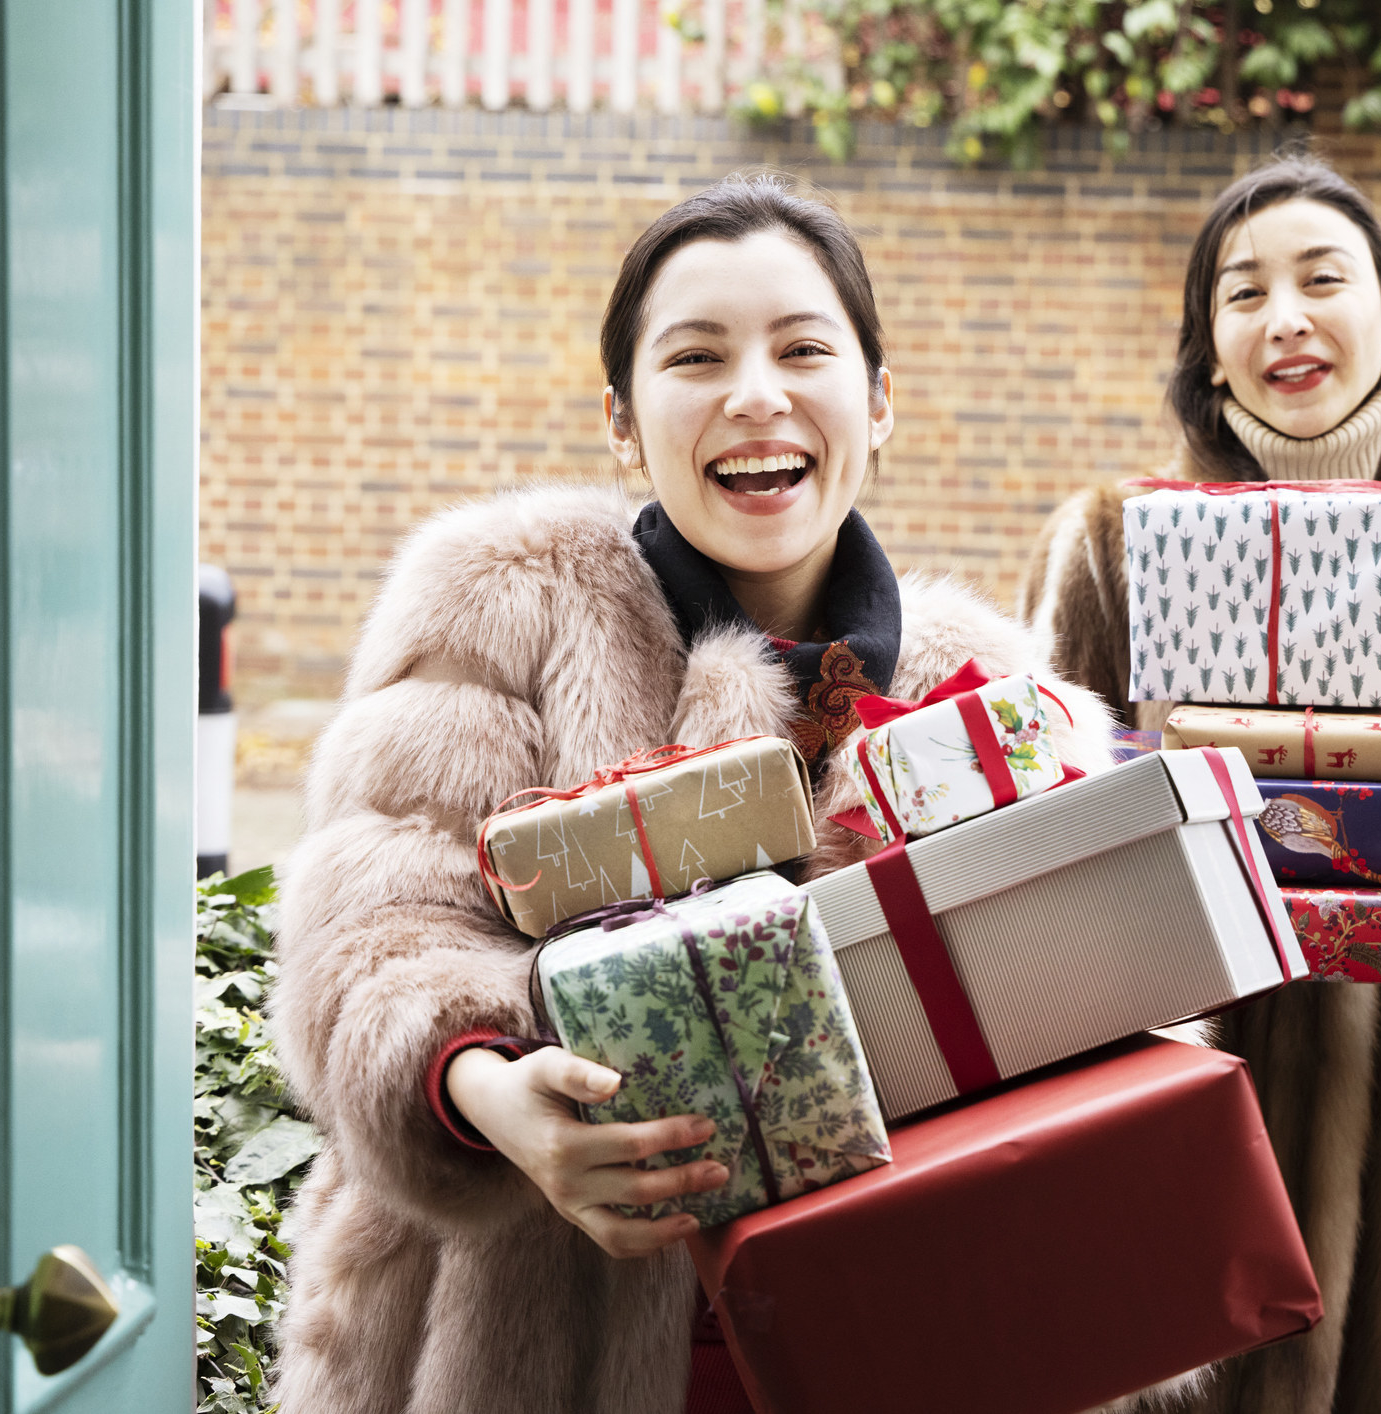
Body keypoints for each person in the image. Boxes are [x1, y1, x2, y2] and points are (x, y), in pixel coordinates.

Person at [267, 173, 1118, 1414]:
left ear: (878, 403)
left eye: (803, 348)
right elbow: (367, 938)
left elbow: (1085, 1015)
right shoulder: (506, 601)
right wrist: (484, 1087)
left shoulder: (986, 695)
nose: (755, 394)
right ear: (624, 420)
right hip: (519, 1346)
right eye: (697, 355)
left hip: (879, 1342)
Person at [1020, 155, 1381, 1414]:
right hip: (1172, 1173)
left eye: (1320, 279)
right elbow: (1029, 851)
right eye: (1242, 294)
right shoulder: (1109, 554)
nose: (1283, 316)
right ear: (1211, 347)